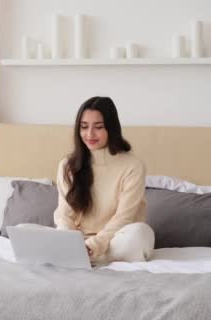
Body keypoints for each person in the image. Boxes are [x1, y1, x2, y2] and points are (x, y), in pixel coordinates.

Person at [53, 96, 155, 264]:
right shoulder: (67, 165)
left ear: (111, 128)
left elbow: (124, 218)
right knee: (23, 231)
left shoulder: (133, 166)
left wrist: (94, 245)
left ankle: (84, 257)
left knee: (140, 235)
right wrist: (73, 243)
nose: (90, 134)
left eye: (98, 127)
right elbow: (65, 215)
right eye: (84, 127)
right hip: (78, 240)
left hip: (116, 239)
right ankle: (81, 255)